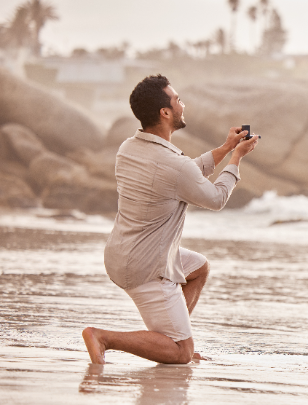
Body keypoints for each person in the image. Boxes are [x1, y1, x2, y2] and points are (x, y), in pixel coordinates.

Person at [82, 74, 258, 364]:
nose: (182, 105)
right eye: (178, 100)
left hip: (121, 253)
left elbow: (183, 172)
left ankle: (171, 335)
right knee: (181, 354)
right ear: (165, 112)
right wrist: (236, 159)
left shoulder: (129, 149)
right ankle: (108, 338)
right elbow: (215, 199)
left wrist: (226, 148)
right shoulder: (173, 165)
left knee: (198, 268)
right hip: (146, 266)